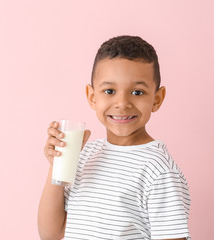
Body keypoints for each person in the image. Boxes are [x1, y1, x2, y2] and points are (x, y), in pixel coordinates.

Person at [38, 35, 191, 240]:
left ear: (157, 99)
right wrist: (56, 166)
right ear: (93, 97)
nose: (122, 103)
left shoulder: (159, 171)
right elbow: (52, 234)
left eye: (137, 92)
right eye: (109, 91)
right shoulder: (85, 156)